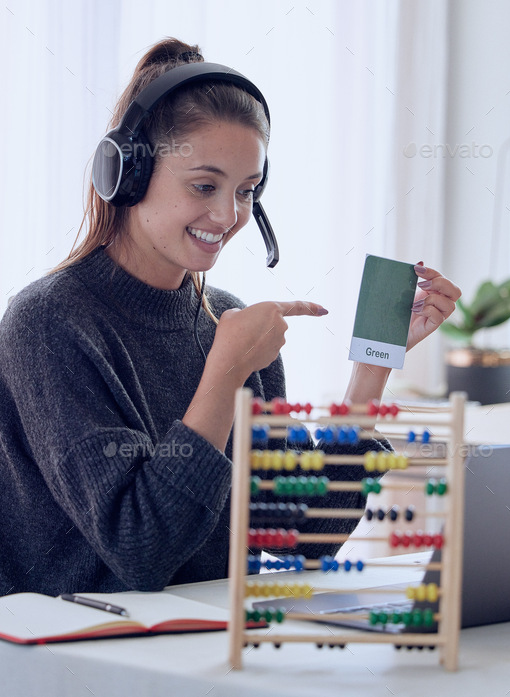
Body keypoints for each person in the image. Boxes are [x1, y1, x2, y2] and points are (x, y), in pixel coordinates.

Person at [0, 39, 460, 597]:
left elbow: (301, 533)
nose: (228, 215)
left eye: (246, 191)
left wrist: (373, 365)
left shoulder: (230, 320)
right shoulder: (49, 323)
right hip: (78, 661)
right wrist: (224, 374)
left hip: (206, 654)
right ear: (129, 175)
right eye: (203, 186)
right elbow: (140, 551)